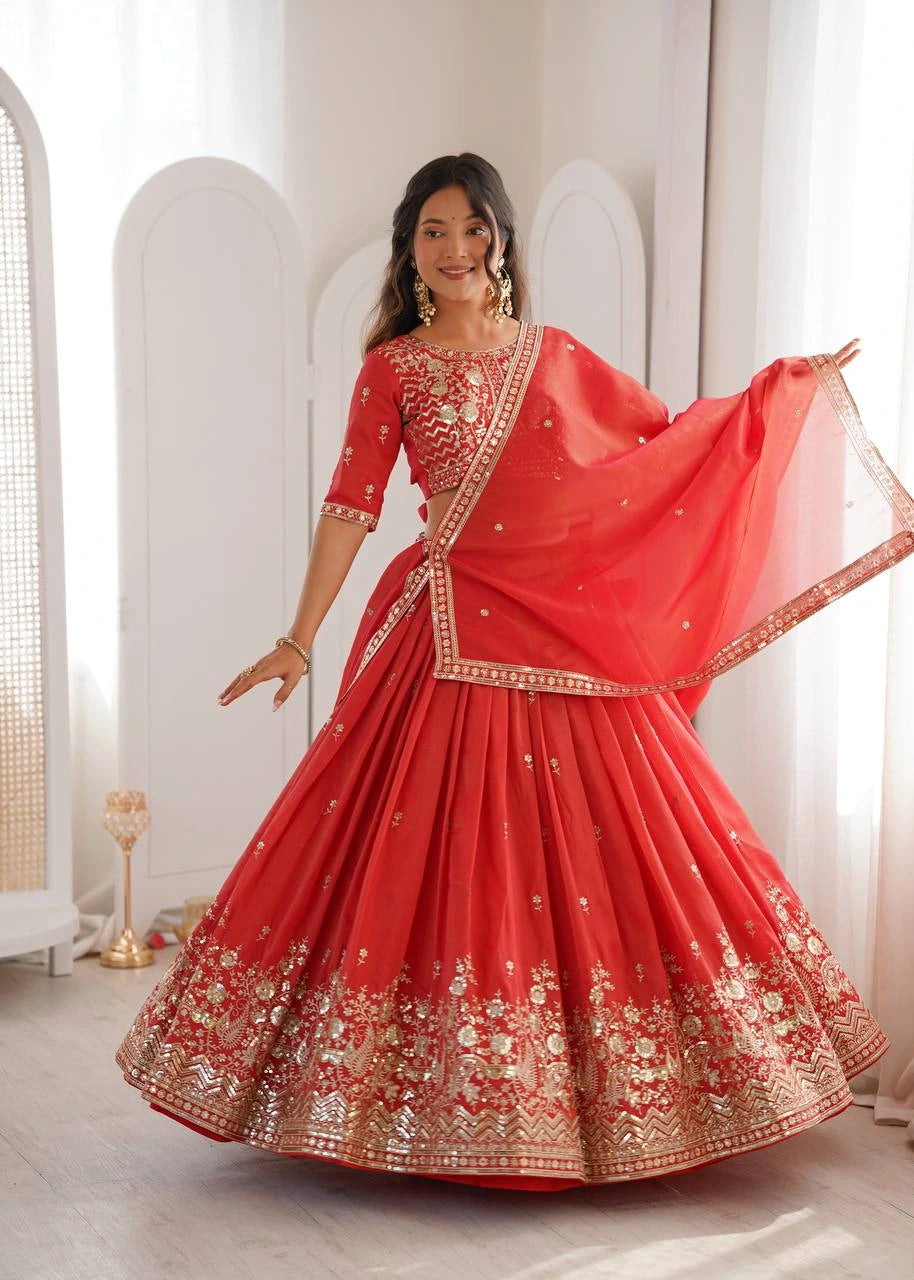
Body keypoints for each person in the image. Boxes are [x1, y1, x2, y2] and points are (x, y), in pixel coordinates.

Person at [115, 153, 914, 1191]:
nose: (455, 251)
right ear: (409, 251)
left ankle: (636, 1101)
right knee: (421, 861)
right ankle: (440, 1104)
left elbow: (661, 449)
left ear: (500, 241)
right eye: (432, 232)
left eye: (472, 230)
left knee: (612, 857)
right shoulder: (392, 369)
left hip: (555, 634)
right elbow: (350, 509)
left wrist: (780, 395)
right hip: (442, 633)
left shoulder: (555, 356)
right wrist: (300, 636)